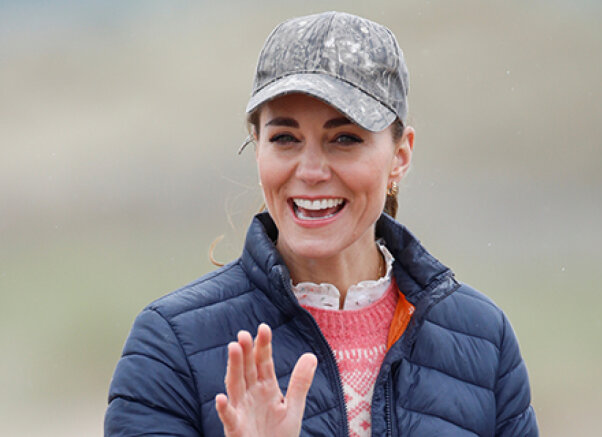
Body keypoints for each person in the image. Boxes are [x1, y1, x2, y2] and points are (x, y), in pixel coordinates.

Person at [105, 11, 539, 437]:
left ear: (400, 156)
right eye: (285, 138)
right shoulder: (169, 346)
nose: (310, 170)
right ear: (258, 149)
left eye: (345, 138)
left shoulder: (482, 340)